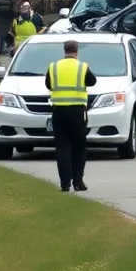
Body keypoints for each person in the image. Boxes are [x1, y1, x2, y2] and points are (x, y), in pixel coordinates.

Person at [46, 39, 98, 191]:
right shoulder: (82, 67)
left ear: (64, 50)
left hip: (58, 111)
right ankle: (78, 181)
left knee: (62, 147)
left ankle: (64, 184)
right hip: (77, 112)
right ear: (77, 51)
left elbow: (48, 84)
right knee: (79, 147)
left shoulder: (54, 67)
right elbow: (92, 81)